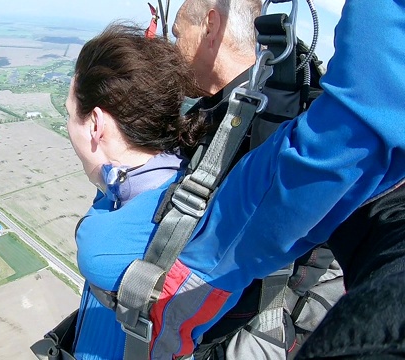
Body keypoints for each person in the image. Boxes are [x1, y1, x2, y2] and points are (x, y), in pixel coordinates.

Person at [162, 0, 405, 358]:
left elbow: (347, 137)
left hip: (251, 325)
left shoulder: (276, 119)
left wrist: (190, 272)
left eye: (178, 34)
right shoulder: (266, 100)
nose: (173, 49)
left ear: (211, 26)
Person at [64, 24, 206, 359]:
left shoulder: (105, 241)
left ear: (97, 125)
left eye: (70, 115)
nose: (68, 126)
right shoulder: (181, 179)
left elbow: (96, 240)